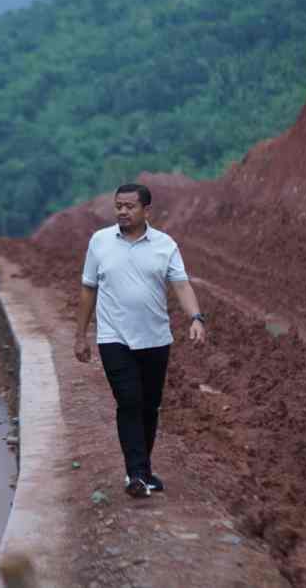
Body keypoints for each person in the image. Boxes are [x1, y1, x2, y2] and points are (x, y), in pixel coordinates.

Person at [74, 183, 206, 499]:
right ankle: (135, 473)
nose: (122, 211)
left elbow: (181, 285)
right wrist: (80, 335)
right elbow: (88, 289)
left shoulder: (164, 245)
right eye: (118, 205)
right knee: (129, 401)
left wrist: (196, 318)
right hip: (113, 338)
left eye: (129, 206)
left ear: (147, 210)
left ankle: (143, 471)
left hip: (156, 339)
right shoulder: (100, 242)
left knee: (149, 407)